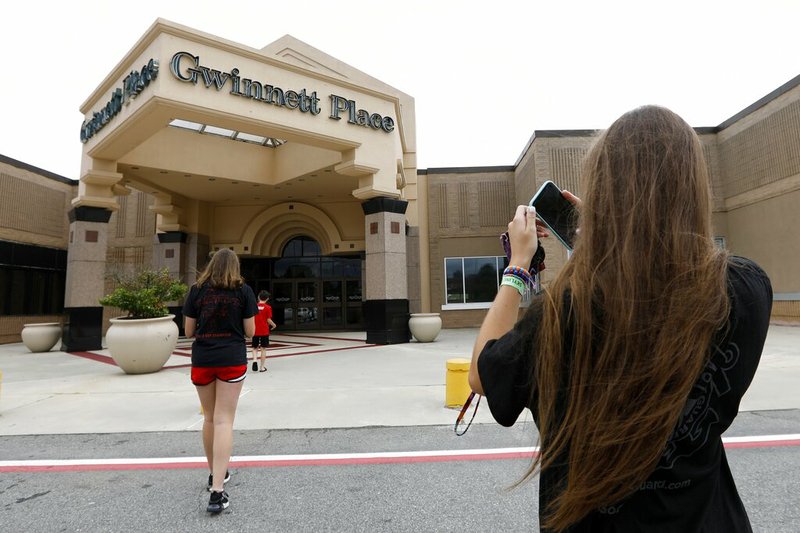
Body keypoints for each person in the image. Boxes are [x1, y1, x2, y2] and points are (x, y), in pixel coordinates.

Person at [469, 105, 772, 531]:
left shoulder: (561, 315)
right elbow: (653, 282)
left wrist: (518, 267)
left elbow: (483, 376)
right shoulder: (745, 289)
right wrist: (609, 237)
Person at [182, 248, 258, 514]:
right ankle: (217, 491)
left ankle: (214, 474)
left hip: (203, 358)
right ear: (234, 267)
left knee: (210, 419)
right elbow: (250, 332)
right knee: (225, 419)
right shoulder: (244, 291)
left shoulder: (196, 290)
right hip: (231, 358)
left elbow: (189, 331)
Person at [251, 290, 277, 372]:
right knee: (263, 348)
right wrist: (274, 325)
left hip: (255, 330)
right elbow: (268, 319)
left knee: (254, 347)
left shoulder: (254, 306)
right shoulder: (268, 308)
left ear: (258, 297)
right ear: (267, 299)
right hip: (264, 331)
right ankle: (262, 367)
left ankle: (255, 360)